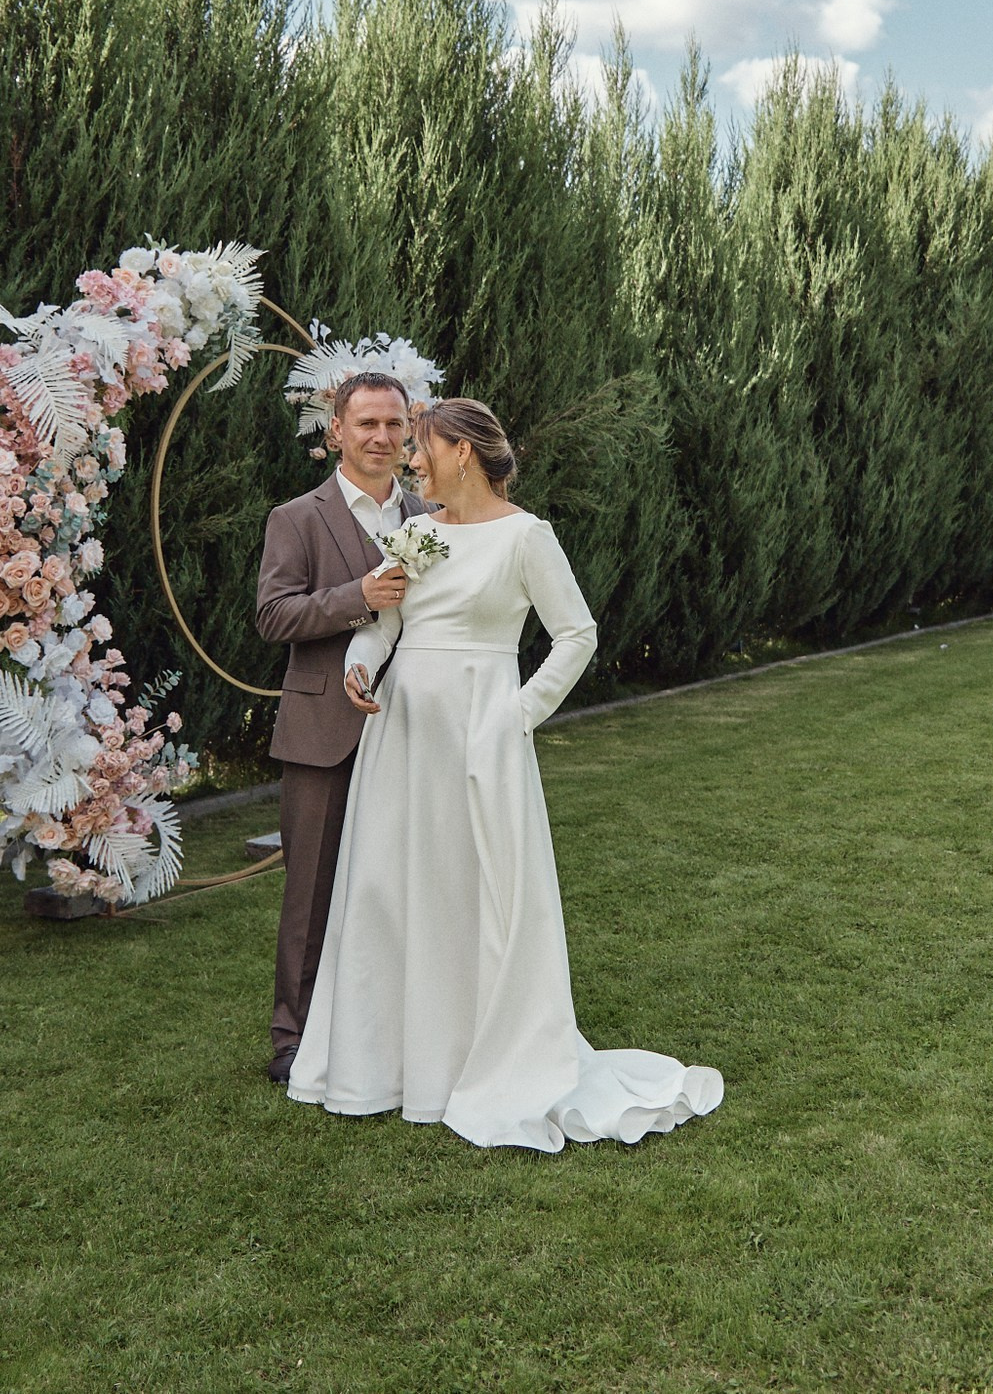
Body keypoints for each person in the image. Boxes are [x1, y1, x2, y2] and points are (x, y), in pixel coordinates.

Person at [286, 397, 724, 1150]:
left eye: (422, 447)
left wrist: (518, 713)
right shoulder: (416, 534)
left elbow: (576, 633)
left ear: (462, 451)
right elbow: (384, 623)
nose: (412, 460)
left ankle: (471, 1056)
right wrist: (361, 668)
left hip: (482, 732)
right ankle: (382, 1065)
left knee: (471, 889)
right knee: (390, 888)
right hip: (404, 733)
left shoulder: (528, 537)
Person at [252, 372, 429, 1085]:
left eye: (394, 425)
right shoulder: (296, 517)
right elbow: (274, 615)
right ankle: (293, 1036)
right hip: (322, 728)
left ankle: (394, 1024)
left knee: (403, 881)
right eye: (367, 425)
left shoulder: (431, 513)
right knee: (312, 890)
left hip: (414, 726)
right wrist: (355, 598)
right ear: (337, 431)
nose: (382, 437)